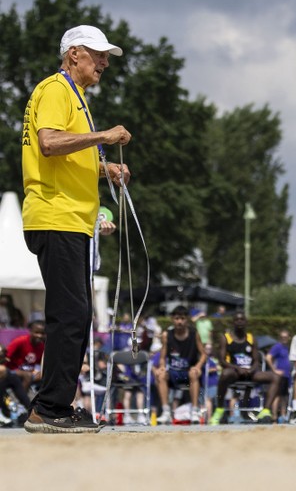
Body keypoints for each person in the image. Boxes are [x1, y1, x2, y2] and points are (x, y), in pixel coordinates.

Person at [21, 25, 132, 434]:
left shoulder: (73, 95)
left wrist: (105, 169)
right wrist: (105, 135)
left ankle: (54, 405)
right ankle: (49, 408)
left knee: (75, 313)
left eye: (106, 56)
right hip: (57, 215)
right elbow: (49, 143)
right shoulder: (56, 89)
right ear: (73, 55)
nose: (104, 63)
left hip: (68, 218)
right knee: (70, 314)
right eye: (97, 54)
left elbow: (64, 157)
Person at [209, 311, 278, 425]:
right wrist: (237, 368)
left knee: (275, 377)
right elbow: (222, 361)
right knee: (225, 374)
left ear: (246, 322)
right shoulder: (226, 338)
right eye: (237, 320)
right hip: (234, 372)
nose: (239, 322)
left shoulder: (251, 338)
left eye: (242, 319)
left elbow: (256, 360)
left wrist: (251, 369)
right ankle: (219, 409)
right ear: (233, 322)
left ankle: (265, 411)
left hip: (249, 373)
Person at [153, 305, 207, 425]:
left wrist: (198, 366)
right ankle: (166, 412)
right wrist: (162, 367)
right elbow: (162, 357)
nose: (179, 322)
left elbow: (204, 354)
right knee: (161, 375)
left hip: (189, 371)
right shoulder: (167, 335)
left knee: (194, 373)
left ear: (187, 320)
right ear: (173, 319)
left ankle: (194, 411)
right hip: (173, 372)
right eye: (177, 318)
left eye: (182, 318)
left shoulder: (194, 334)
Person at [4, 320, 46, 388]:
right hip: (13, 370)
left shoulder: (42, 347)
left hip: (30, 372)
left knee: (45, 374)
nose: (39, 336)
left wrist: (38, 373)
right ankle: (22, 394)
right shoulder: (19, 341)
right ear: (30, 331)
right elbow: (6, 357)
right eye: (36, 332)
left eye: (42, 333)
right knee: (27, 376)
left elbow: (39, 365)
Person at [266, 329, 293, 421]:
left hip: (287, 375)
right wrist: (274, 370)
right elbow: (268, 357)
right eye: (282, 337)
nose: (284, 339)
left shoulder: (287, 347)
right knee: (277, 395)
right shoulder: (277, 346)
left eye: (285, 337)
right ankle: (274, 416)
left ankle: (283, 415)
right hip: (279, 376)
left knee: (284, 396)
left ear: (289, 338)